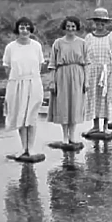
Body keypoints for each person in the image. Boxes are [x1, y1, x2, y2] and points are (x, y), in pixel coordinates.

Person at [2, 17, 45, 158]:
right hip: (16, 84)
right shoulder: (10, 47)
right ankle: (23, 148)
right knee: (20, 115)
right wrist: (16, 81)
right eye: (22, 28)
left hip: (33, 83)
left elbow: (39, 66)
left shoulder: (36, 46)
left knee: (31, 116)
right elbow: (7, 68)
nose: (24, 30)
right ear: (17, 29)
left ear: (31, 29)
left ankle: (31, 148)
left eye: (27, 28)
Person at [47, 15, 89, 145]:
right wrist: (52, 81)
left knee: (75, 105)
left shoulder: (82, 43)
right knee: (63, 105)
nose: (70, 28)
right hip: (62, 74)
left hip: (78, 74)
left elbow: (86, 63)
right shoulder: (58, 43)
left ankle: (73, 135)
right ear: (64, 28)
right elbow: (52, 64)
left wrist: (86, 81)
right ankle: (65, 136)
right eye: (68, 26)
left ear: (77, 28)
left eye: (73, 26)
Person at [84, 7, 112, 135]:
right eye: (97, 21)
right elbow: (84, 57)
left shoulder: (111, 37)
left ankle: (105, 125)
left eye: (102, 22)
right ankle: (95, 125)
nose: (100, 24)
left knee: (106, 98)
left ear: (106, 23)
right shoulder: (89, 37)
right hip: (92, 71)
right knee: (93, 97)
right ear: (94, 22)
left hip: (108, 71)